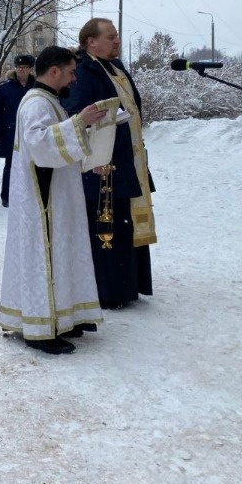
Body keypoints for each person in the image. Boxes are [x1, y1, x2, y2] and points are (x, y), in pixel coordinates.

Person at [0, 46, 107, 355]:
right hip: (41, 200)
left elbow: (60, 145)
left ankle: (65, 317)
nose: (74, 78)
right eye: (71, 71)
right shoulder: (36, 103)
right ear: (55, 71)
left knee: (63, 254)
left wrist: (89, 156)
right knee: (44, 257)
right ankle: (39, 330)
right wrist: (79, 122)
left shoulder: (49, 101)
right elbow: (40, 146)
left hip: (57, 193)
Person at [62, 18, 156, 309]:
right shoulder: (84, 70)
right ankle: (109, 291)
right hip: (102, 165)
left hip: (127, 160)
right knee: (106, 226)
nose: (117, 41)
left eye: (116, 36)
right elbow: (77, 114)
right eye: (111, 36)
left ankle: (129, 285)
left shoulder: (116, 67)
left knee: (124, 224)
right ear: (91, 41)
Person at [0, 55, 36, 208]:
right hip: (11, 133)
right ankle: (7, 195)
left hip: (32, 132)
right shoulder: (6, 87)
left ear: (30, 69)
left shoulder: (36, 86)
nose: (21, 70)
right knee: (11, 166)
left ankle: (31, 194)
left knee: (33, 165)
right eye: (18, 67)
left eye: (24, 67)